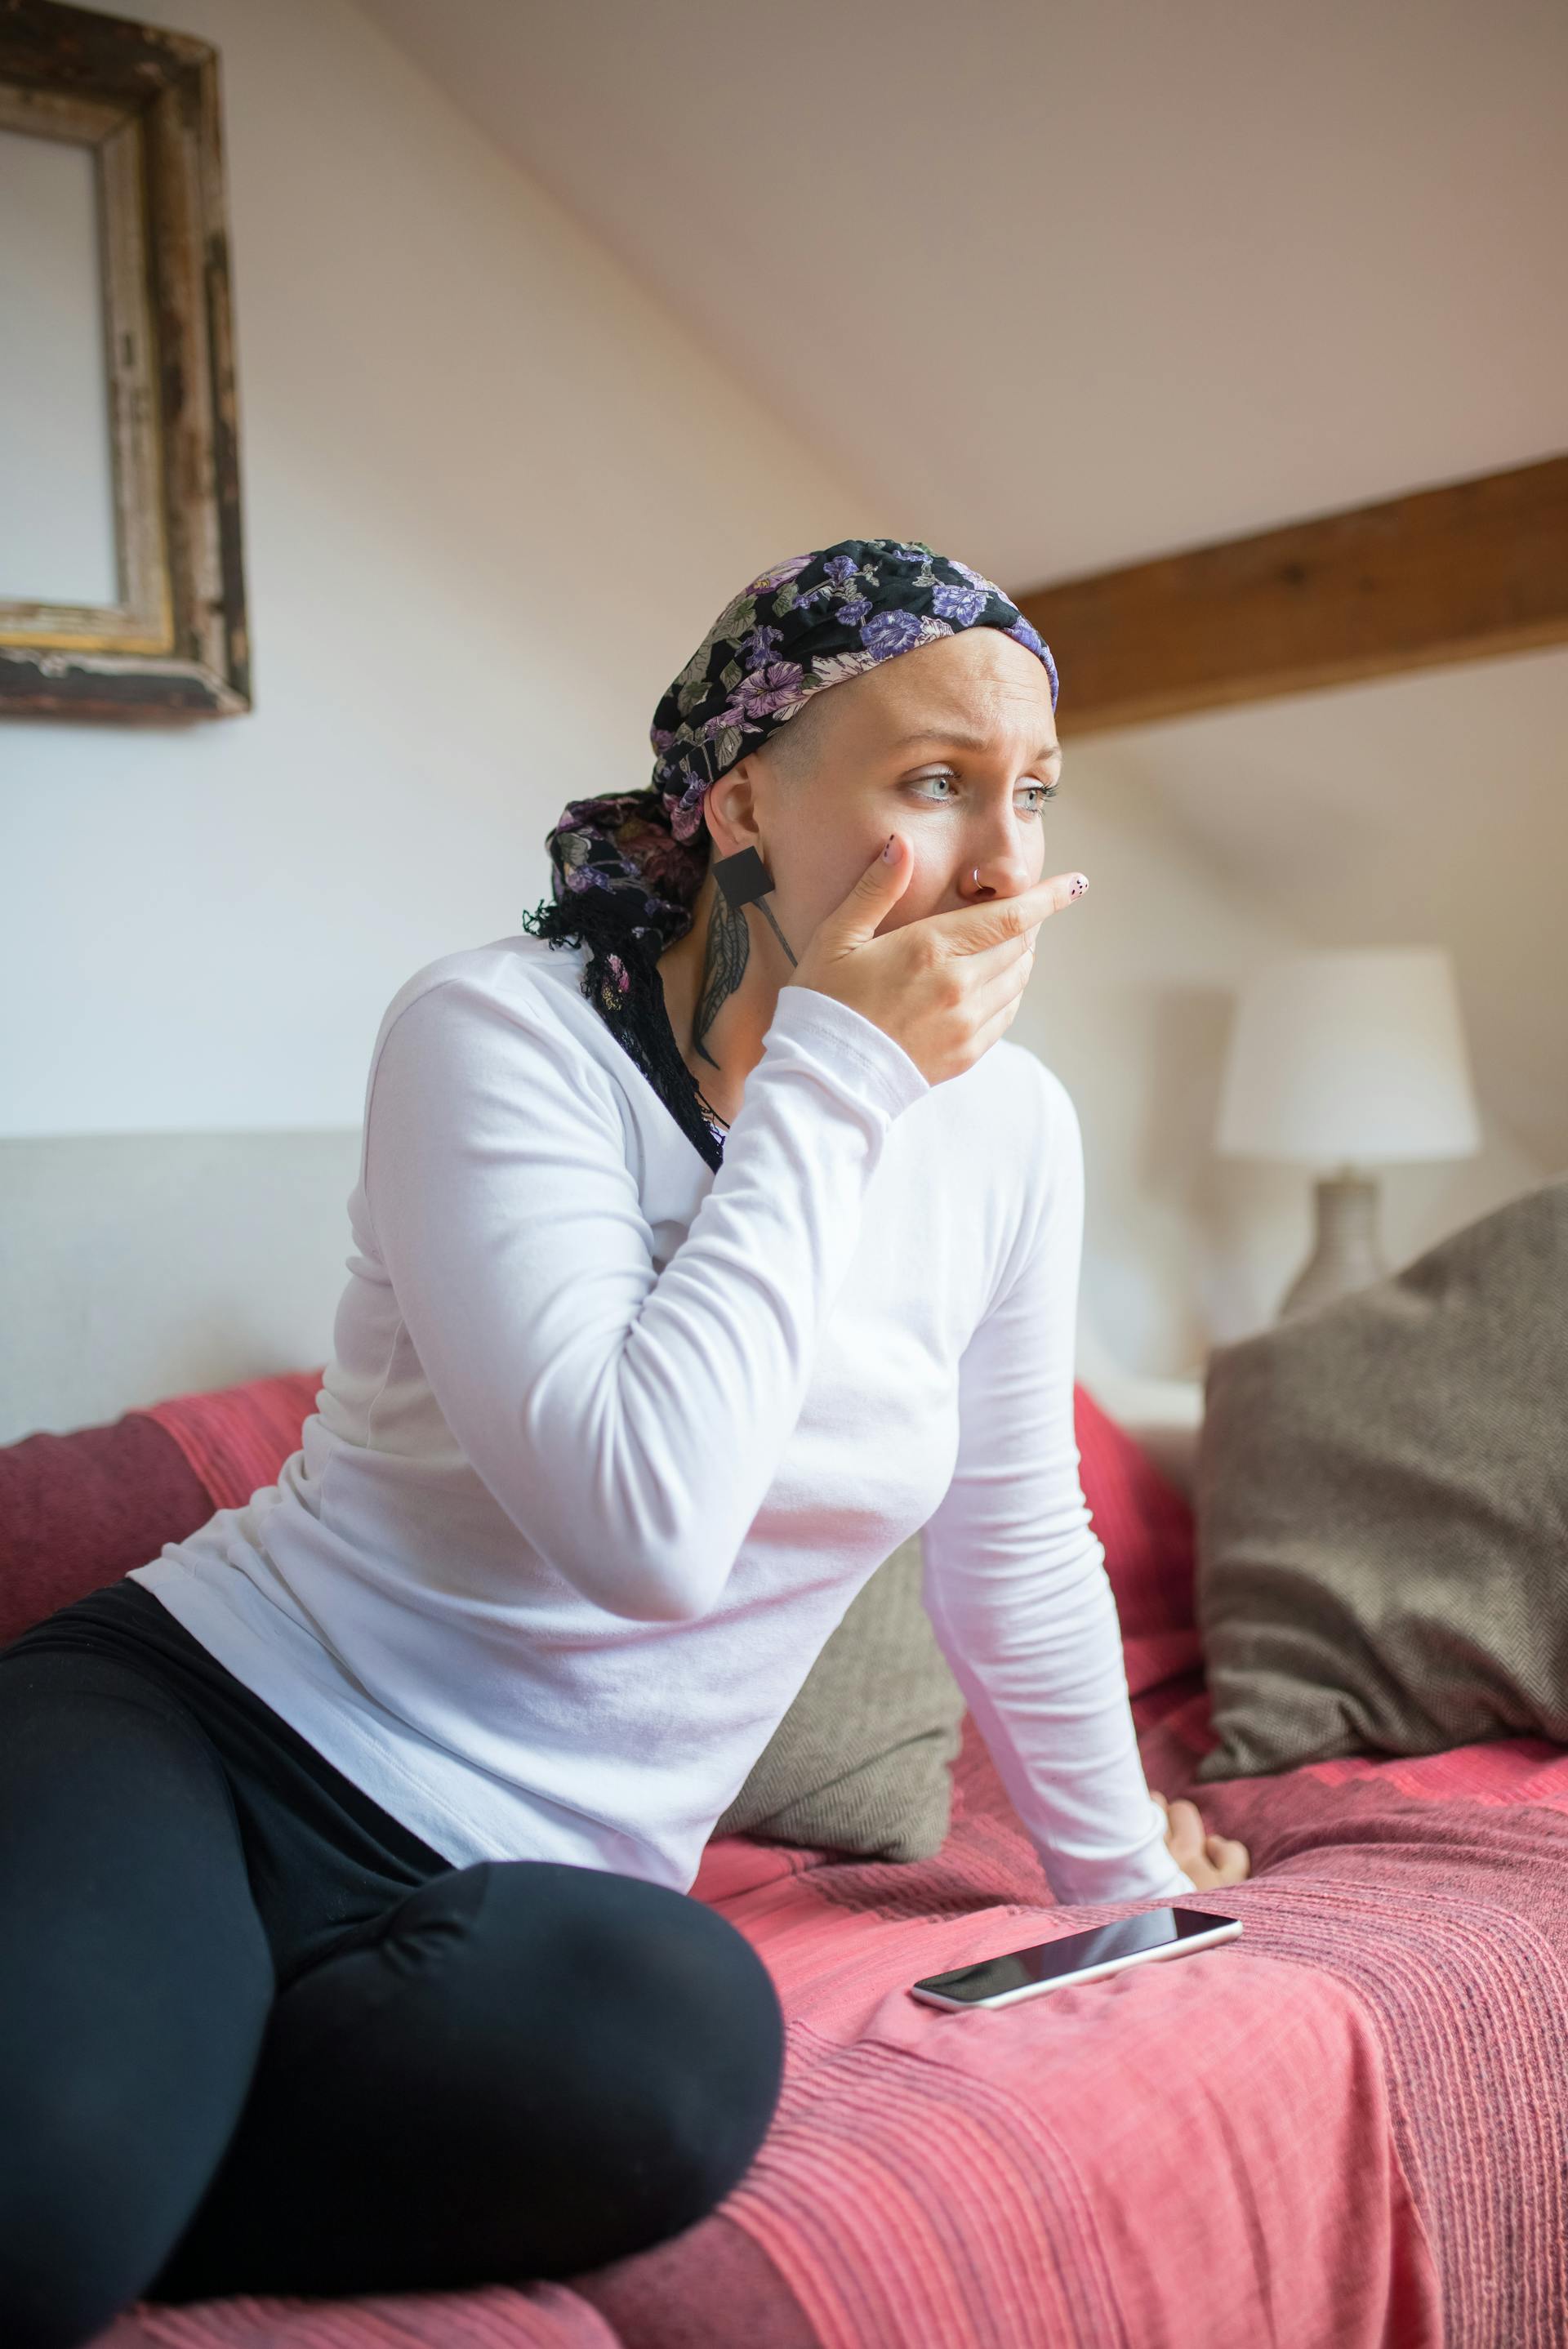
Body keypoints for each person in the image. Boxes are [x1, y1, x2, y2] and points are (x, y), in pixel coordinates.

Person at [0, 536, 1247, 2349]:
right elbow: (644, 1521)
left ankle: (134, 2109)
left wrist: (1129, 1889)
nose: (998, 861)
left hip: (510, 1891)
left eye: (1031, 794)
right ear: (740, 805)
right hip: (212, 1733)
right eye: (932, 780)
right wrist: (835, 1066)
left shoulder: (1013, 1135)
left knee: (678, 2061)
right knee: (39, 2218)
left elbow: (1015, 1531)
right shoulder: (499, 1036)